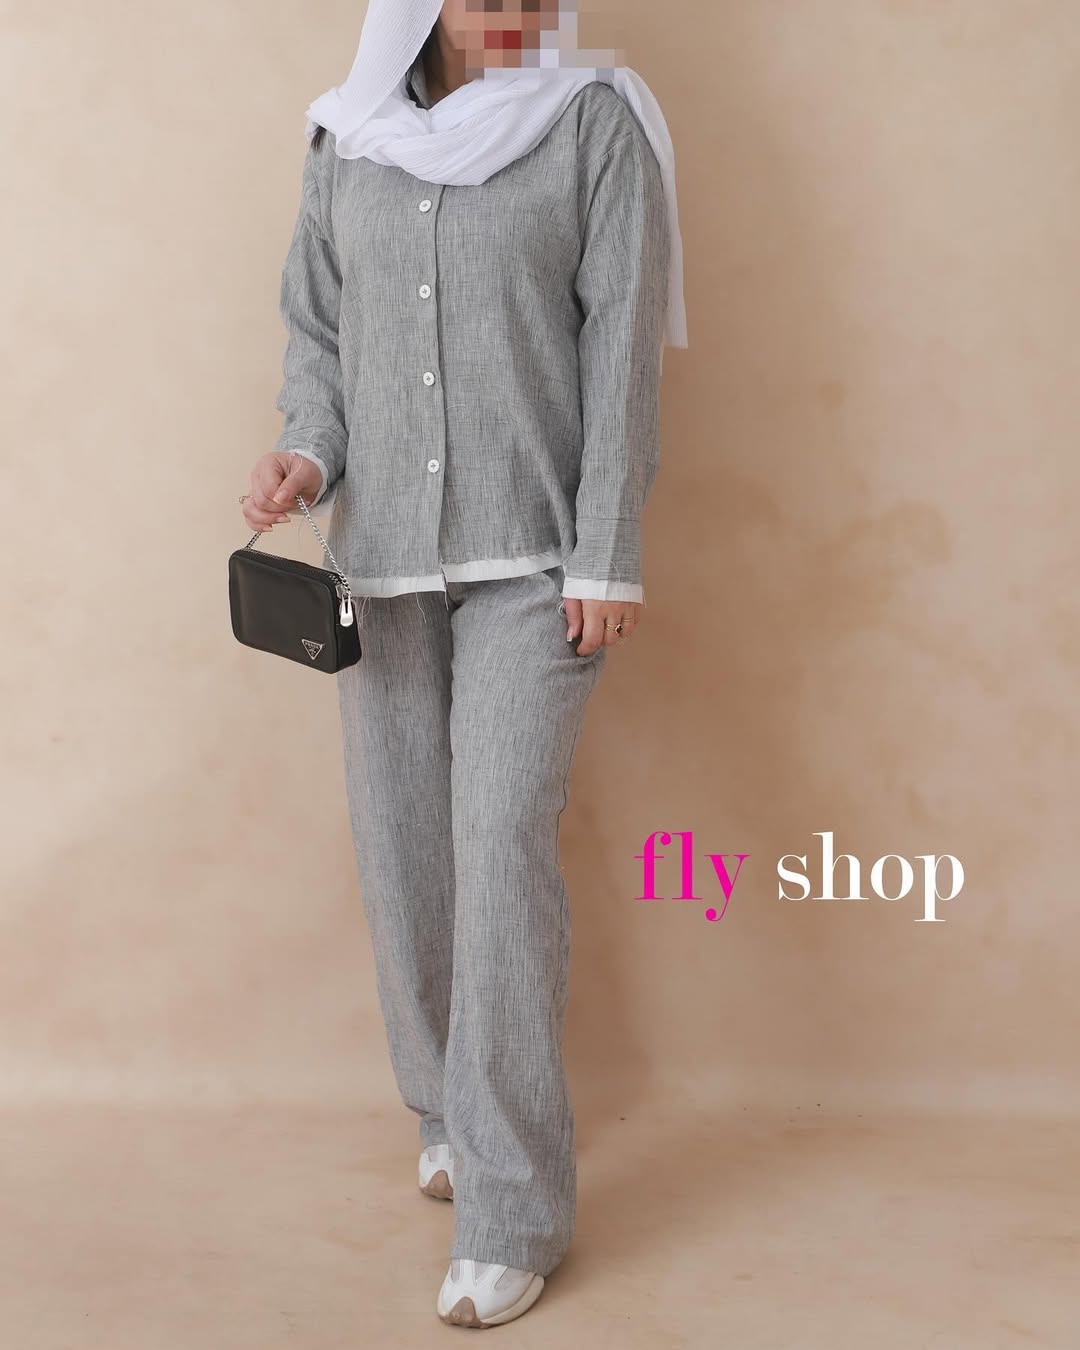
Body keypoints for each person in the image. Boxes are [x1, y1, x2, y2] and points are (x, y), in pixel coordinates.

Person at [241, 0, 686, 1328]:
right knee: (405, 844)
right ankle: (443, 1107)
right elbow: (321, 336)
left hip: (537, 556)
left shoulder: (596, 125)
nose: (519, 17)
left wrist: (607, 554)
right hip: (380, 556)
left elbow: (621, 350)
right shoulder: (346, 137)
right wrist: (306, 453)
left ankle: (513, 1210)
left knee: (497, 846)